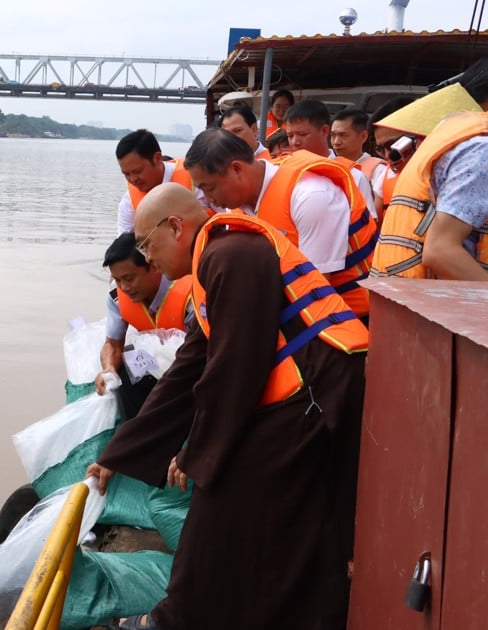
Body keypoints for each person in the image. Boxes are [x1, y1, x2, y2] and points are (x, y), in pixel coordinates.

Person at [87, 183, 368, 630]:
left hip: (319, 398)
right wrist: (117, 453)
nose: (147, 258)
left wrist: (197, 450)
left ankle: (177, 620)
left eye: (146, 244)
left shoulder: (230, 254)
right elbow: (188, 371)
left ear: (176, 226)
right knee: (240, 508)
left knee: (224, 501)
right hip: (298, 399)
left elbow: (235, 365)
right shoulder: (210, 267)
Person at [182, 127, 379, 317]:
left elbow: (316, 289)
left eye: (209, 188)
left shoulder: (311, 196)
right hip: (290, 315)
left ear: (237, 169)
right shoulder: (236, 206)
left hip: (348, 323)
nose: (209, 199)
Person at [370, 80, 488, 280]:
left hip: (402, 296)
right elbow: (440, 251)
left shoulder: (440, 148)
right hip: (447, 303)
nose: (391, 157)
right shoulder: (480, 150)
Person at [95, 232, 191, 395]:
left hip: (190, 367)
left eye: (129, 278)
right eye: (118, 280)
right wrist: (109, 369)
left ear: (152, 266)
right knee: (124, 371)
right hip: (156, 364)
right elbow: (112, 344)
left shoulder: (190, 294)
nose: (124, 287)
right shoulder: (116, 297)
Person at [283, 99, 378, 217]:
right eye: (290, 136)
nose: (294, 142)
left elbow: (367, 227)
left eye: (302, 135)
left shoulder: (353, 177)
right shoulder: (283, 173)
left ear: (324, 131)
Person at [113, 129, 198, 235]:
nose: (133, 179)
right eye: (126, 174)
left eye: (137, 171)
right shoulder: (128, 202)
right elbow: (122, 244)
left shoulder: (196, 181)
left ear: (157, 158)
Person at [331, 108, 391, 216]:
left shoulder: (378, 170)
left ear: (363, 136)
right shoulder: (328, 166)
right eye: (333, 135)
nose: (336, 142)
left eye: (343, 135)